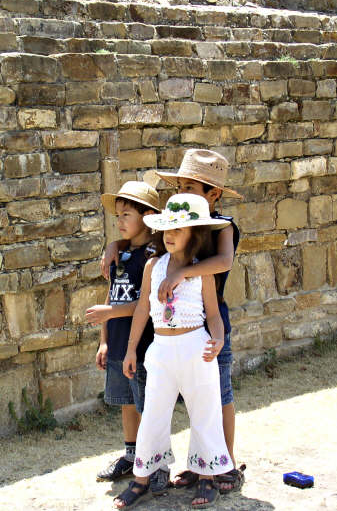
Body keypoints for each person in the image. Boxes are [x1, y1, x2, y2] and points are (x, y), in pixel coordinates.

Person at [102, 149, 245, 495]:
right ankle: (191, 470)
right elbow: (146, 237)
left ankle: (223, 466)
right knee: (162, 402)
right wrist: (115, 242)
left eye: (191, 187)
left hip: (206, 320)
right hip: (170, 325)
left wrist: (184, 272)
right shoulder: (170, 234)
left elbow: (222, 263)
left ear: (214, 194)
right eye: (179, 186)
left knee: (217, 396)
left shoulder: (223, 228)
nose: (182, 192)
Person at [86, 181, 161, 483]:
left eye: (126, 215)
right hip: (117, 343)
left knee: (146, 405)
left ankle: (152, 460)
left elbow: (146, 302)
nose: (119, 222)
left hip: (141, 345)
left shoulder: (153, 255)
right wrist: (103, 341)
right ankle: (131, 456)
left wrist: (111, 312)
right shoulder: (121, 253)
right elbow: (112, 294)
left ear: (148, 216)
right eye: (117, 216)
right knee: (126, 404)